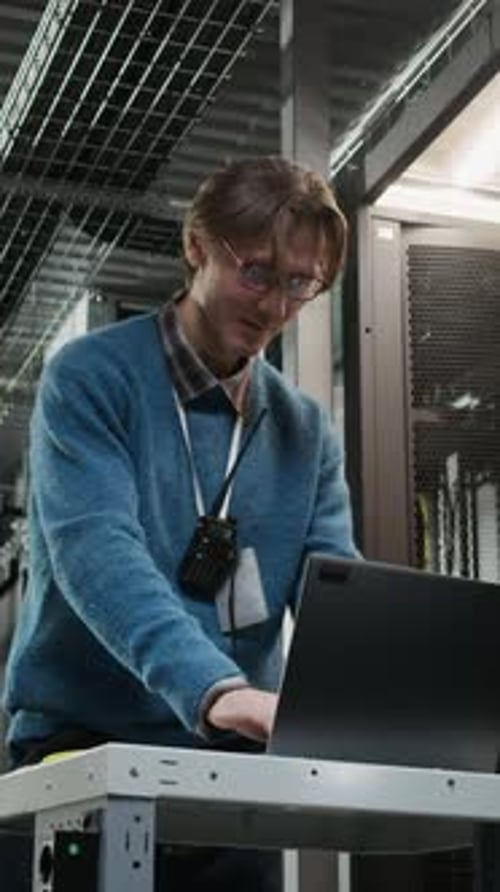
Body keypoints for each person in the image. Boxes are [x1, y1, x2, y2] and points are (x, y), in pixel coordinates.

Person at [3, 155, 358, 890]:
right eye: (256, 272)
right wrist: (218, 691)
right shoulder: (92, 379)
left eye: (300, 284)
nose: (274, 307)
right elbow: (98, 553)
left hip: (230, 770)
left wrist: (365, 706)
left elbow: (335, 595)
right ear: (197, 245)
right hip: (82, 749)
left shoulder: (304, 431)